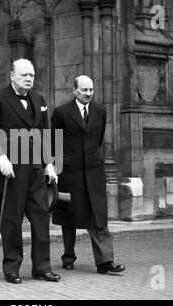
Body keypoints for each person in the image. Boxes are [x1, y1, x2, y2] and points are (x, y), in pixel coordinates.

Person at [0, 58, 60, 284]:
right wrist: (0, 158)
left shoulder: (39, 99)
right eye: (24, 75)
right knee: (12, 221)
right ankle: (12, 268)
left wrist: (49, 163)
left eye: (32, 76)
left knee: (41, 218)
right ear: (12, 76)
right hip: (11, 170)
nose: (29, 79)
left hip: (35, 169)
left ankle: (42, 267)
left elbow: (44, 133)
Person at [51, 75, 125, 274]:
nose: (88, 94)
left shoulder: (100, 111)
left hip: (93, 173)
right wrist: (56, 168)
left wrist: (93, 160)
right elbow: (54, 142)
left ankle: (105, 262)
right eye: (84, 90)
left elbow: (98, 140)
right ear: (74, 90)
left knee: (98, 217)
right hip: (69, 173)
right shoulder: (61, 112)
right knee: (69, 216)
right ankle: (68, 256)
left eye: (91, 90)